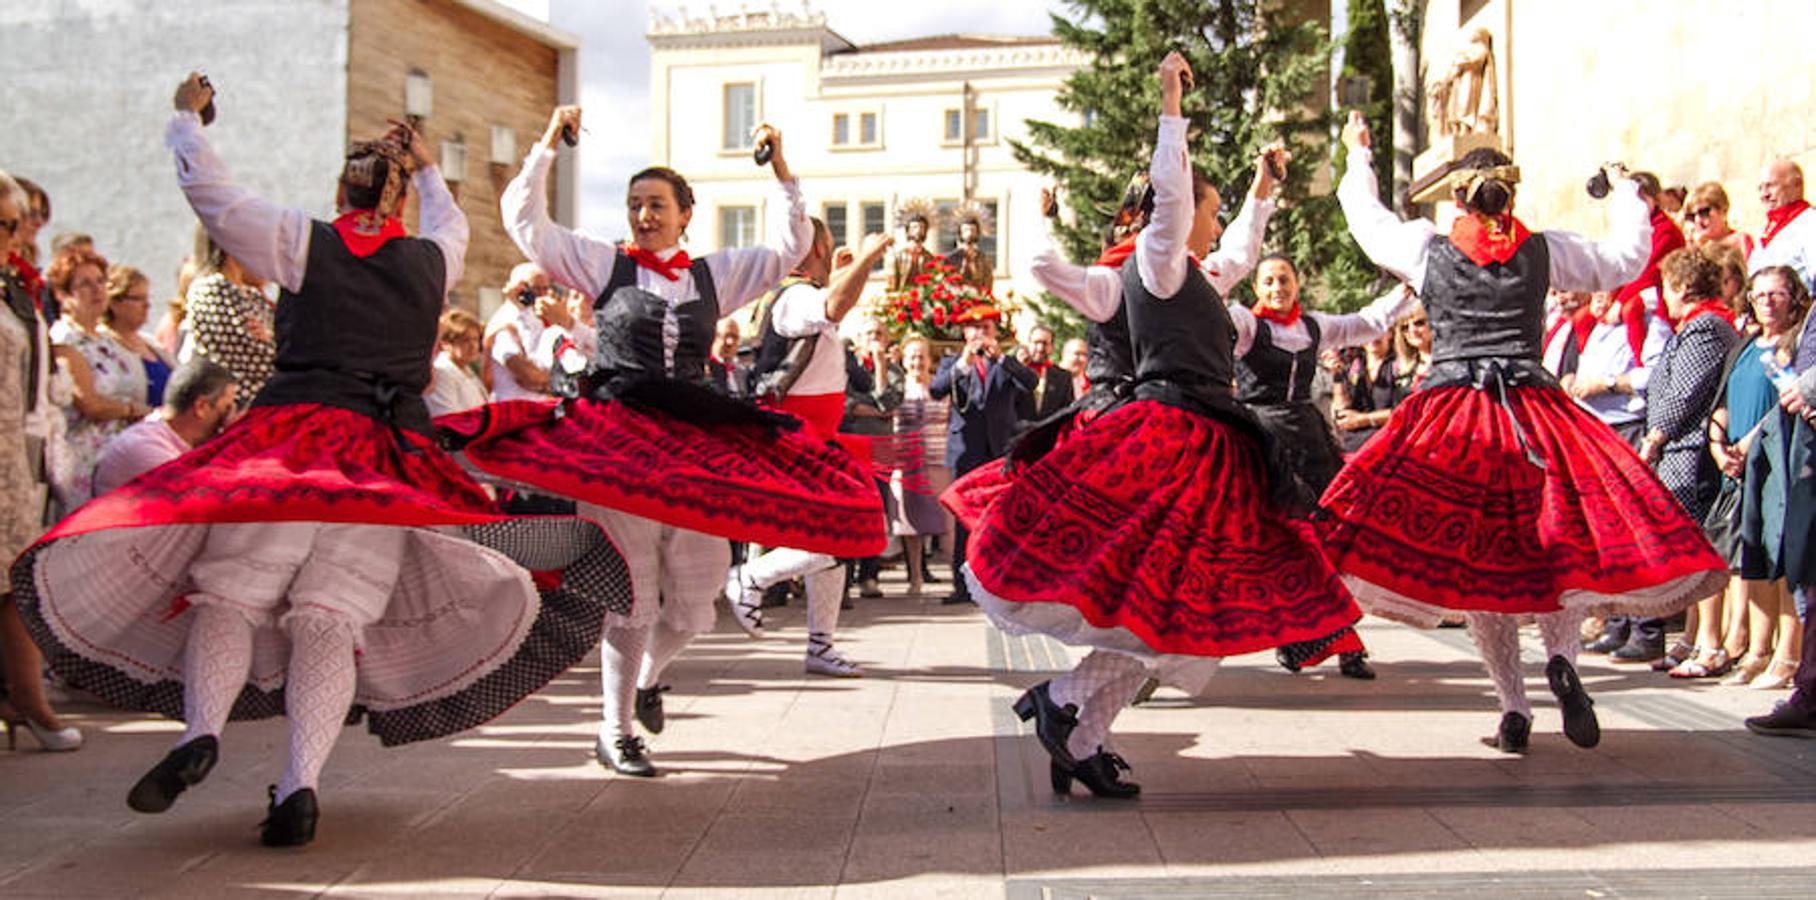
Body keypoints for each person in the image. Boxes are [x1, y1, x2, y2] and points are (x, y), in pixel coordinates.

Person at [12, 74, 625, 846]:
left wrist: (186, 122)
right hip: (383, 459)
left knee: (229, 594)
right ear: (399, 200)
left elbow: (213, 196)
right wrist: (430, 168)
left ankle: (200, 731)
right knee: (331, 619)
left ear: (341, 189)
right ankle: (299, 785)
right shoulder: (434, 257)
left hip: (292, 447)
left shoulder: (305, 242)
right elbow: (449, 219)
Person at [952, 54, 1361, 796]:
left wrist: (1262, 195)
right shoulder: (1154, 259)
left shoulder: (1198, 275)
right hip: (1170, 441)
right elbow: (1162, 204)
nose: (1210, 216)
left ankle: (1076, 727)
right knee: (1162, 612)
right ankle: (1069, 706)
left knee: (1176, 615)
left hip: (1208, 442)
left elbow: (1235, 250)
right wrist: (1171, 106)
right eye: (1209, 205)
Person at [444, 103, 883, 777]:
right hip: (621, 437)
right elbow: (526, 223)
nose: (643, 216)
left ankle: (648, 680)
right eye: (634, 205)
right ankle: (614, 730)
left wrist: (781, 168)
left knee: (701, 590)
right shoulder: (603, 265)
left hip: (695, 437)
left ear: (685, 213)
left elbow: (790, 248)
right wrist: (547, 146)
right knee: (633, 587)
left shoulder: (714, 274)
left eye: (656, 204)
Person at [1324, 110, 1727, 753]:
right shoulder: (1544, 247)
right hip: (1535, 412)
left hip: (1457, 416)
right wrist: (1628, 195)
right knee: (1552, 551)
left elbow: (1366, 221)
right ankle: (1561, 662)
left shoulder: (1428, 248)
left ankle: (1514, 708)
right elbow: (1625, 258)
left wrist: (1358, 155)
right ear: (1513, 194)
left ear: (1458, 197)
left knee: (1486, 570)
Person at [726, 223, 895, 676]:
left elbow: (830, 306)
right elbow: (833, 306)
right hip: (801, 436)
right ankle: (751, 577)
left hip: (818, 436)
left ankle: (820, 644)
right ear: (818, 247)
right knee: (848, 534)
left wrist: (841, 273)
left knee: (838, 540)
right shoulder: (795, 296)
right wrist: (868, 258)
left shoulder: (797, 293)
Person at [0, 169, 81, 753]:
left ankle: (27, 700)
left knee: (12, 578)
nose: (21, 232)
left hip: (17, 450)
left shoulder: (14, 285)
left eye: (22, 221)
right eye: (9, 222)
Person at [930, 301, 1036, 605]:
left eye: (986, 328)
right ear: (965, 333)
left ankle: (1001, 584)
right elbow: (936, 391)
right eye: (975, 329)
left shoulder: (1005, 362)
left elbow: (1030, 383)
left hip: (1000, 451)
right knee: (964, 519)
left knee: (1001, 519)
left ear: (995, 333)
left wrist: (1002, 358)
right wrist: (963, 365)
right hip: (966, 452)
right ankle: (962, 586)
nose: (980, 334)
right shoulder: (953, 364)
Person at [47, 246, 152, 509]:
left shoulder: (105, 337)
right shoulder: (65, 340)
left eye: (100, 281)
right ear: (62, 294)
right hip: (87, 461)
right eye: (84, 284)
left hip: (119, 455)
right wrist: (131, 409)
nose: (96, 290)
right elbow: (89, 403)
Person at [91, 357, 238, 496]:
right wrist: (234, 436)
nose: (229, 416)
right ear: (201, 407)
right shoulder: (147, 447)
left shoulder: (168, 438)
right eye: (227, 408)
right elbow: (208, 497)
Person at [184, 222, 273, 409]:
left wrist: (271, 337)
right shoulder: (210, 289)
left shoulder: (251, 295)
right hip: (233, 408)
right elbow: (251, 356)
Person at [891, 334, 953, 596]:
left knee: (946, 520)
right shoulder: (897, 388)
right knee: (910, 523)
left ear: (930, 359)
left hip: (938, 459)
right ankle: (915, 578)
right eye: (912, 356)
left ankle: (956, 578)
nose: (917, 361)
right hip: (905, 461)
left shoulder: (940, 386)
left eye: (921, 356)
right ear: (904, 361)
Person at [483, 262, 566, 401]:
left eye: (545, 289)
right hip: (515, 410)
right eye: (535, 289)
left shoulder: (537, 318)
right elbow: (529, 376)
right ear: (518, 288)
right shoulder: (504, 321)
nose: (541, 295)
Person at [104, 266, 177, 408]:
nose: (147, 305)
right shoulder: (106, 347)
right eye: (138, 299)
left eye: (147, 298)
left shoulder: (150, 343)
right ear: (114, 303)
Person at [1750, 159, 1815, 293]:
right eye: (1760, 188)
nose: (1764, 195)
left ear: (1796, 184)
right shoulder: (1766, 231)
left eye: (1770, 186)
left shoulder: (1810, 222)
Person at [424, 309, 488, 416]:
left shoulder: (466, 369)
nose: (473, 346)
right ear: (446, 343)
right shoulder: (441, 373)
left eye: (475, 339)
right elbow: (446, 417)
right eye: (465, 340)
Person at [1017, 324, 1075, 423]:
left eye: (1045, 343)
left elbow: (1066, 412)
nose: (1040, 348)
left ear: (1052, 347)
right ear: (1028, 344)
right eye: (1036, 342)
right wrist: (1019, 368)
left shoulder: (1064, 377)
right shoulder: (1013, 371)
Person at [1684, 181, 1756, 261]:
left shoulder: (1740, 241)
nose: (1698, 220)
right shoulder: (1694, 248)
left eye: (1704, 212)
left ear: (1723, 210)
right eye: (1691, 216)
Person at [889, 198, 937, 292]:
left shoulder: (929, 257)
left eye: (921, 227)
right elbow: (891, 284)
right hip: (902, 299)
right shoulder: (897, 257)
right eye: (914, 227)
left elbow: (933, 282)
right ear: (908, 231)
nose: (918, 230)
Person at [944, 200, 995, 291]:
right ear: (960, 233)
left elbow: (988, 281)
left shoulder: (983, 259)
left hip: (978, 299)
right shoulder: (951, 259)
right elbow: (946, 281)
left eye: (972, 230)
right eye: (966, 230)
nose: (969, 233)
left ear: (977, 233)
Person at [706, 316, 747, 397]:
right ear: (713, 337)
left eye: (735, 337)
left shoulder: (741, 372)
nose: (730, 342)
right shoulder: (705, 368)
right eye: (726, 335)